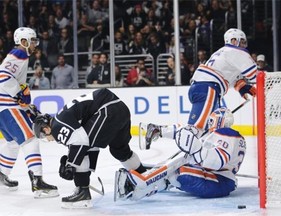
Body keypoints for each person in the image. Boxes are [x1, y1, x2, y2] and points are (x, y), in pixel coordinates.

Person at [32, 88, 147, 208]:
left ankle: (82, 194)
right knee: (119, 150)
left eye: (44, 136)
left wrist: (71, 165)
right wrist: (75, 166)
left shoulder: (56, 127)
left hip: (107, 110)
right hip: (119, 108)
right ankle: (143, 176)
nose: (48, 139)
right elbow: (88, 143)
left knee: (81, 149)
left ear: (46, 129)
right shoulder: (61, 119)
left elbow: (81, 143)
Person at [115, 107, 247, 201]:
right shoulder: (223, 135)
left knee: (180, 169)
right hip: (217, 180)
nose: (210, 124)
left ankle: (142, 183)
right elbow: (190, 133)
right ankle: (140, 190)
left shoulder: (226, 133)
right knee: (178, 167)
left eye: (212, 121)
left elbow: (217, 162)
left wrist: (195, 149)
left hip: (220, 181)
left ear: (220, 120)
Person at [163, 28, 257, 139]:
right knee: (196, 130)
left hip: (201, 87)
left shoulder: (222, 52)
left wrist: (240, 85)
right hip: (208, 89)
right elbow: (254, 75)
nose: (244, 45)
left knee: (207, 129)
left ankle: (163, 133)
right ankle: (159, 130)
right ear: (233, 41)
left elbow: (226, 74)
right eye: (241, 41)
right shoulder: (236, 52)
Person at [0, 27, 58, 198]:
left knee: (13, 143)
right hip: (8, 106)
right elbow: (3, 76)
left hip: (3, 107)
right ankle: (38, 183)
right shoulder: (20, 54)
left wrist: (22, 95)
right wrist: (19, 93)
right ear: (24, 42)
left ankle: (1, 174)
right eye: (32, 41)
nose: (35, 44)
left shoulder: (16, 54)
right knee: (30, 140)